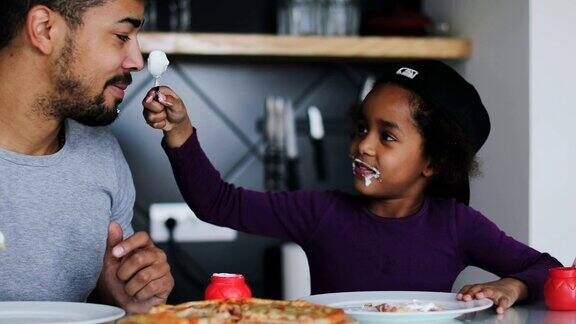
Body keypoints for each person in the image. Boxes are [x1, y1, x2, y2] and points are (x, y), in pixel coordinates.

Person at [142, 60, 561, 314]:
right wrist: (180, 132)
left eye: (387, 136)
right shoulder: (320, 212)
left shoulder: (457, 224)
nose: (363, 145)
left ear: (433, 160)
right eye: (362, 127)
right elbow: (217, 203)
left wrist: (514, 285)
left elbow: (549, 268)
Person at [0, 0, 173, 313]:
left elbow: (118, 304)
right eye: (122, 36)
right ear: (44, 30)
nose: (136, 61)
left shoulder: (103, 158)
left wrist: (123, 298)